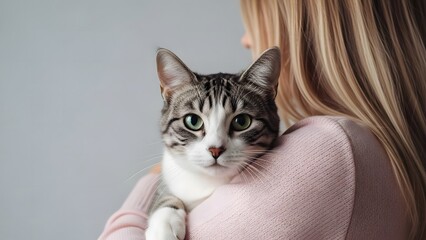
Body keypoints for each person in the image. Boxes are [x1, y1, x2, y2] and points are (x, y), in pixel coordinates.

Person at [99, 0, 426, 239]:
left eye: (256, 18)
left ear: (309, 32)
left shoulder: (326, 153)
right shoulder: (376, 146)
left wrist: (151, 189)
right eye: (194, 123)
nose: (244, 39)